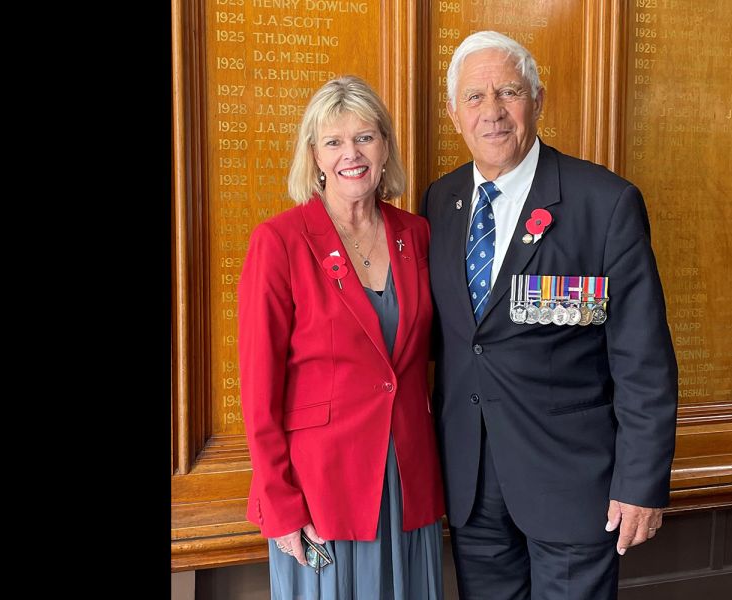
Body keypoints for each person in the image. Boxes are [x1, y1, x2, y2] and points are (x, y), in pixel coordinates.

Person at [420, 31, 678, 599]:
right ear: (454, 113)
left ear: (537, 99)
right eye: (474, 97)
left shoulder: (604, 202)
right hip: (472, 486)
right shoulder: (441, 201)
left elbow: (643, 360)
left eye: (509, 92)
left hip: (573, 484)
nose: (492, 111)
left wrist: (641, 483)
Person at [239, 75, 445, 600]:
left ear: (384, 147)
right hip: (319, 492)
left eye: (365, 137)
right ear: (314, 155)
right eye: (333, 141)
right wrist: (280, 504)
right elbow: (259, 393)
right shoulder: (279, 241)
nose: (350, 154)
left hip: (407, 482)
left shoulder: (417, 234)